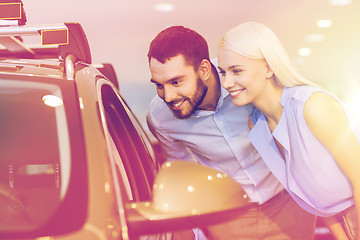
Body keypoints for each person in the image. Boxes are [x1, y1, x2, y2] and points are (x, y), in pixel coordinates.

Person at [146, 25, 316, 240]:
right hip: (227, 217)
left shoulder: (243, 79)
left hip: (289, 203)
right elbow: (181, 171)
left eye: (176, 82)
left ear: (204, 69)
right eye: (159, 85)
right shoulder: (160, 116)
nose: (168, 96)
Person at [217, 21, 360, 240]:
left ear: (268, 67)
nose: (227, 82)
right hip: (344, 224)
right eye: (223, 72)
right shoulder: (256, 126)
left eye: (236, 71)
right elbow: (311, 196)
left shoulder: (312, 106)